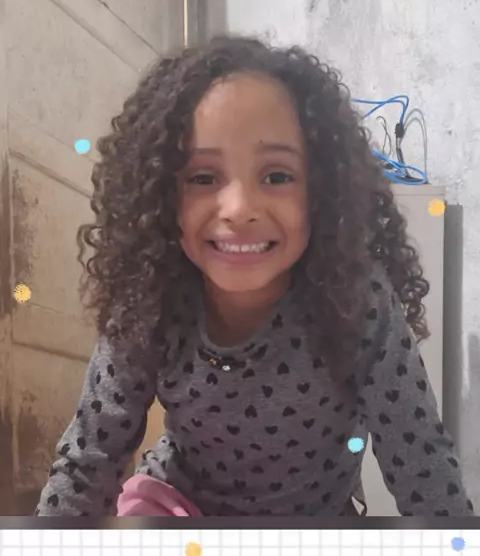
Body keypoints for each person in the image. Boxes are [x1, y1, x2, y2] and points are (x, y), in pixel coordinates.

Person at [35, 35, 473, 518]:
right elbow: (87, 464)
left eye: (277, 176)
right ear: (162, 196)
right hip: (178, 513)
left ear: (321, 193)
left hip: (314, 527)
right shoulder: (151, 299)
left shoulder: (355, 300)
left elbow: (423, 465)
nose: (239, 208)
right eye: (203, 177)